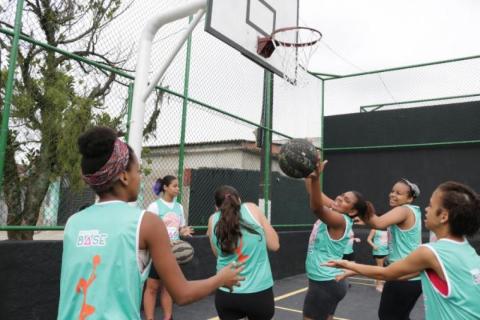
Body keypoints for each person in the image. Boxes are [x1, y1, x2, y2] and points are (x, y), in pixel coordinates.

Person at [57, 127, 243, 320]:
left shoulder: (73, 222)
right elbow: (182, 293)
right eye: (138, 171)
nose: (140, 177)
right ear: (124, 176)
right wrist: (220, 279)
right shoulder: (146, 222)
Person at [326, 181, 480, 320]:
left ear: (444, 216)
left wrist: (347, 264)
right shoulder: (469, 252)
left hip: (403, 280)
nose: (426, 209)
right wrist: (358, 271)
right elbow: (405, 272)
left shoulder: (430, 251)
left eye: (431, 206)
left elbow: (386, 273)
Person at [303, 159, 375, 320]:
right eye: (342, 195)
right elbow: (314, 193)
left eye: (346, 200)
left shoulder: (339, 220)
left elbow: (316, 207)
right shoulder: (336, 209)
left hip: (324, 283)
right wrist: (309, 172)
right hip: (333, 280)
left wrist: (315, 180)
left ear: (352, 211)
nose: (340, 199)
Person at [342, 178, 423, 320]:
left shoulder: (403, 210)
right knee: (399, 316)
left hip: (403, 276)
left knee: (388, 316)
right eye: (392, 191)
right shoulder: (412, 212)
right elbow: (377, 222)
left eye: (398, 193)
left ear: (409, 198)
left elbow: (378, 222)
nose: (392, 194)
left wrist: (358, 204)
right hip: (411, 277)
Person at [207, 185, 280, 320]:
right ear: (239, 200)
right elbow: (275, 245)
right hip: (258, 294)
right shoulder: (252, 209)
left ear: (216, 207)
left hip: (227, 293)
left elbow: (218, 254)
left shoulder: (212, 220)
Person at [143, 175, 194, 320]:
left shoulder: (179, 207)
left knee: (167, 288)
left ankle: (167, 317)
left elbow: (180, 228)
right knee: (152, 288)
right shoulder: (154, 207)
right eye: (175, 186)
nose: (178, 189)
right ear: (165, 187)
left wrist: (183, 231)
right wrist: (162, 241)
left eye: (178, 186)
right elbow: (148, 229)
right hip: (157, 253)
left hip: (173, 255)